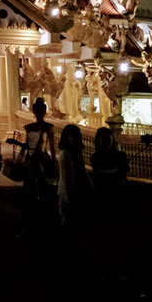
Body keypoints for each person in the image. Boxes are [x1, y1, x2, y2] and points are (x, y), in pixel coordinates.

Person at [20, 97, 57, 237]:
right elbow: (26, 144)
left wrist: (53, 161)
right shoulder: (29, 127)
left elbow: (51, 146)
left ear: (44, 111)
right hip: (31, 159)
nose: (39, 112)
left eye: (42, 110)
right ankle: (29, 221)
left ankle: (42, 219)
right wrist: (21, 157)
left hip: (41, 158)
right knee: (29, 189)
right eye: (37, 110)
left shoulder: (49, 127)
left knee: (43, 188)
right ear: (34, 111)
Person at [57, 124, 92, 247]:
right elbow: (65, 177)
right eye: (73, 135)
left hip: (79, 192)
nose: (76, 138)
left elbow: (82, 172)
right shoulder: (65, 154)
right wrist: (67, 198)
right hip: (69, 194)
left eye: (77, 135)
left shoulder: (76, 153)